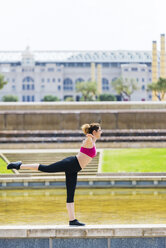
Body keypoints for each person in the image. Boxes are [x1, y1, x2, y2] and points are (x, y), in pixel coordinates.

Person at [7, 123, 102, 226]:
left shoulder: (93, 141)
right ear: (94, 132)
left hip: (74, 169)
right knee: (46, 168)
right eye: (100, 130)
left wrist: (91, 137)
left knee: (71, 194)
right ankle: (19, 166)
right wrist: (89, 137)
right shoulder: (89, 141)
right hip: (71, 163)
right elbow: (87, 140)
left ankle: (72, 220)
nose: (101, 132)